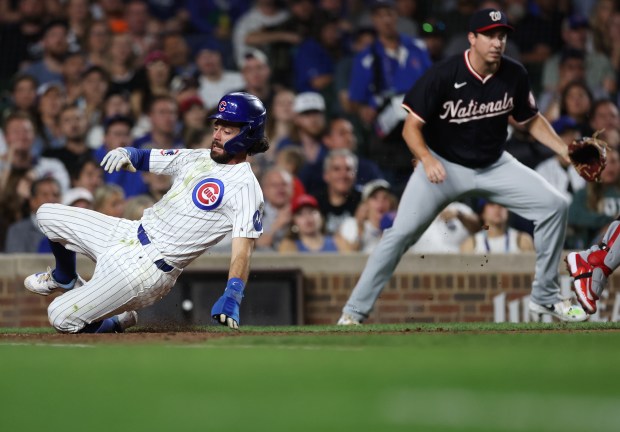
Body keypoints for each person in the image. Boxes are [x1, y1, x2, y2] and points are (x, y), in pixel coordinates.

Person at [338, 9, 588, 325]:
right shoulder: (443, 74)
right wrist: (427, 160)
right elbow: (410, 128)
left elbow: (530, 119)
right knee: (398, 235)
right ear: (472, 38)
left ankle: (545, 298)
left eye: (502, 35)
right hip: (443, 166)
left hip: (495, 164)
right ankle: (354, 312)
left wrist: (564, 150)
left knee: (554, 205)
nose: (497, 42)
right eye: (489, 34)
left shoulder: (514, 73)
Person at [23, 92, 270, 333]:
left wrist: (233, 293)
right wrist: (125, 152)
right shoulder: (199, 157)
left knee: (60, 316)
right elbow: (145, 157)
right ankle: (65, 276)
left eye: (227, 131)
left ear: (248, 134)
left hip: (148, 269)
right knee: (46, 215)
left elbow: (243, 250)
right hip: (127, 232)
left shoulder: (247, 189)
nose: (216, 135)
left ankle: (117, 321)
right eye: (216, 127)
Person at [460, 201, 535, 254]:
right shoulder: (470, 244)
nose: (498, 207)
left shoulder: (523, 240)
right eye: (491, 204)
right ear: (482, 212)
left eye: (502, 203)